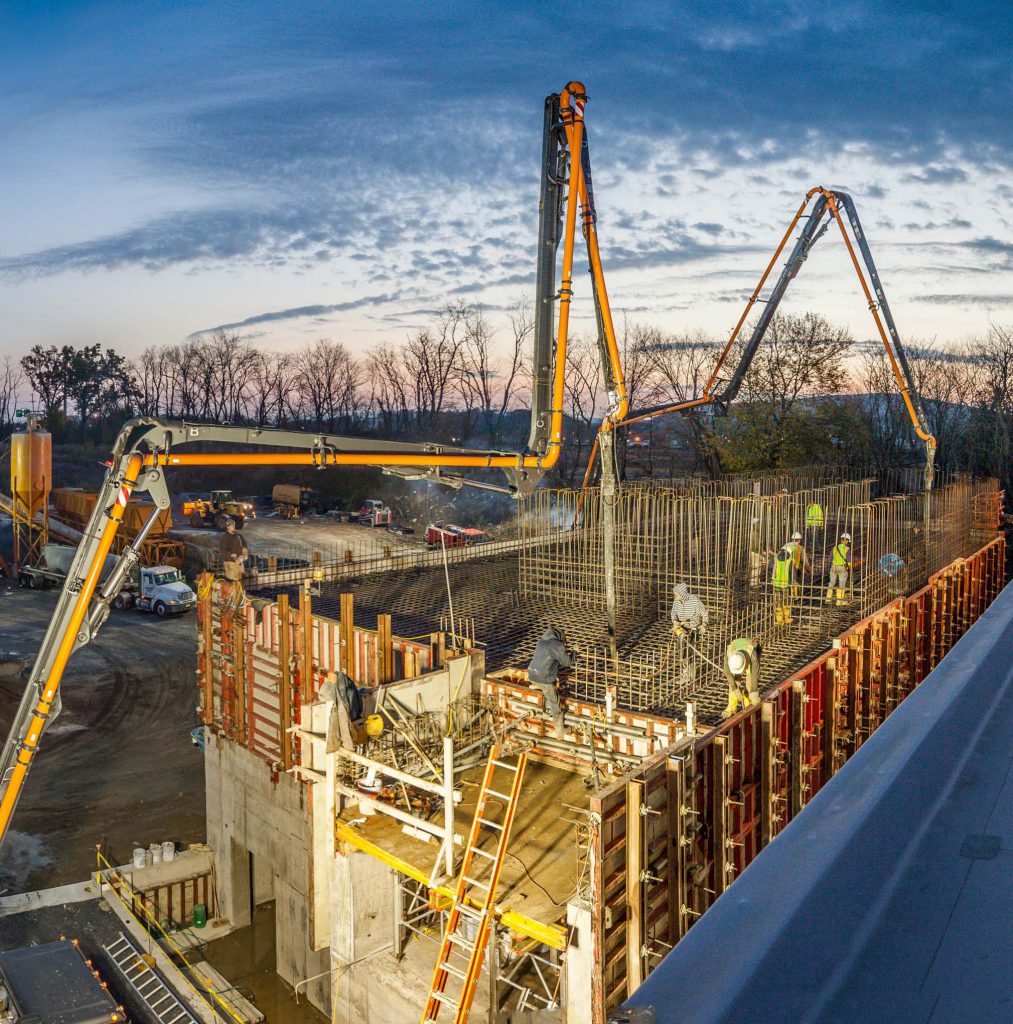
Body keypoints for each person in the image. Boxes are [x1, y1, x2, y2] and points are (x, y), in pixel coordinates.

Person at [526, 626, 574, 738]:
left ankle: (545, 712)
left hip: (532, 673)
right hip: (543, 677)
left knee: (547, 691)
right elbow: (567, 662)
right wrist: (575, 652)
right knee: (554, 700)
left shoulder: (541, 641)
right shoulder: (557, 645)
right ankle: (560, 730)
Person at [723, 637, 761, 718]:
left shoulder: (752, 655)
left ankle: (749, 703)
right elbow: (727, 672)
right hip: (738, 651)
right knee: (734, 681)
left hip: (752, 653)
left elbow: (755, 674)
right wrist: (735, 688)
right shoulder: (729, 654)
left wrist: (754, 690)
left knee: (750, 682)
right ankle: (731, 707)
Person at [825, 532, 852, 606]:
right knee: (842, 584)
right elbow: (849, 561)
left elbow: (830, 558)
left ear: (841, 540)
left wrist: (829, 567)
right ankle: (839, 601)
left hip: (834, 567)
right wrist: (849, 568)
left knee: (831, 582)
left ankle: (828, 599)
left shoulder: (835, 548)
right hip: (842, 568)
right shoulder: (847, 549)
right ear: (847, 541)